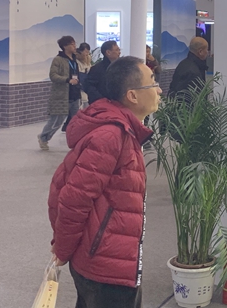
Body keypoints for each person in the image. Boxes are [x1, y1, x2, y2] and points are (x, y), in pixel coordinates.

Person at [48, 56, 162, 308]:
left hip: (111, 258)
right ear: (132, 96)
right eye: (153, 83)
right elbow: (74, 199)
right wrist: (63, 249)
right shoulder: (110, 136)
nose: (159, 90)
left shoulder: (124, 131)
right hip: (104, 267)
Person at [37, 36, 81, 151]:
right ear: (65, 46)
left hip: (74, 95)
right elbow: (53, 75)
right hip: (62, 96)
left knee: (76, 121)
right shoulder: (58, 60)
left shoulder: (74, 59)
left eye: (74, 43)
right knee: (57, 121)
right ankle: (43, 137)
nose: (75, 46)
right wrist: (67, 80)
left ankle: (76, 142)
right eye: (72, 44)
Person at [61, 42, 91, 132]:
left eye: (88, 52)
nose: (87, 54)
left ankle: (69, 125)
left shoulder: (88, 60)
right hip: (78, 85)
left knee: (78, 108)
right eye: (85, 51)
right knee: (80, 106)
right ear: (81, 51)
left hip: (85, 84)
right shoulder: (76, 60)